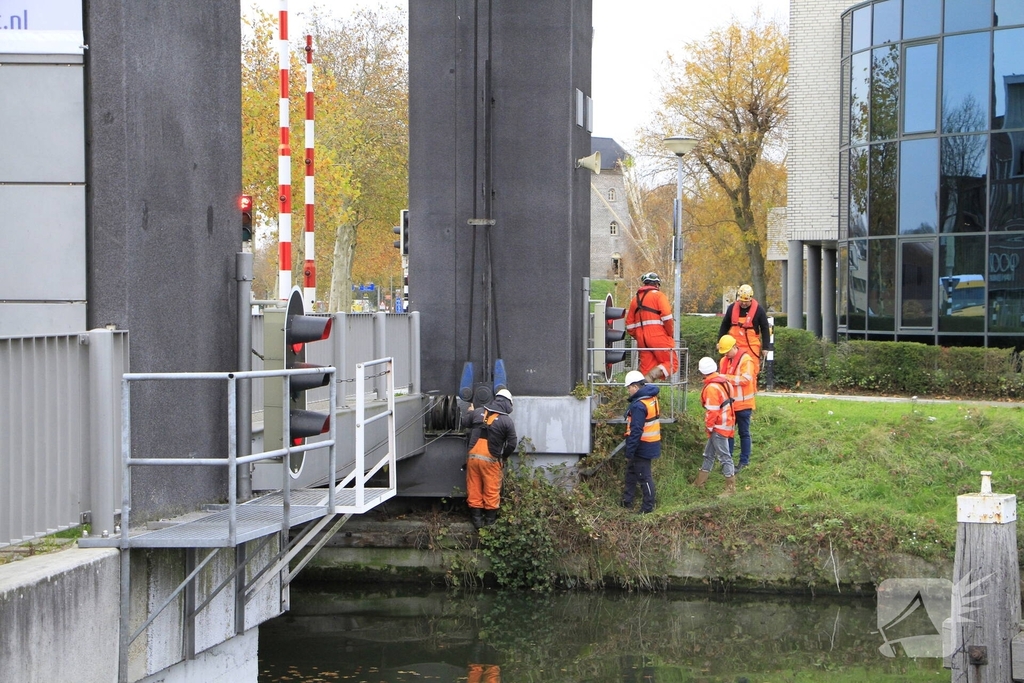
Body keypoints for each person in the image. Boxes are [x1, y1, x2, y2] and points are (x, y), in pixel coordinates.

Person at [464, 389, 517, 529]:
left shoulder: (478, 412)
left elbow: (465, 422)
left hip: (473, 458)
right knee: (491, 490)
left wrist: (470, 412)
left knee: (473, 487)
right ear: (508, 404)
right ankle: (489, 524)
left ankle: (476, 522)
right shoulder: (507, 421)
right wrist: (503, 457)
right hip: (491, 460)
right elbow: (512, 444)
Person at [694, 356, 737, 496]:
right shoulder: (725, 382)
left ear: (702, 372)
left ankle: (730, 489)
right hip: (727, 423)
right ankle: (699, 484)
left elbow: (712, 412)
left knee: (724, 456)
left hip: (718, 426)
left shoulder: (712, 387)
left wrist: (709, 427)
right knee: (709, 454)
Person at [625, 272, 678, 382]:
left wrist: (639, 336)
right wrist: (669, 333)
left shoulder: (634, 300)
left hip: (642, 342)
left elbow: (630, 326)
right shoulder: (659, 296)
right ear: (657, 284)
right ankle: (651, 377)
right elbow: (667, 317)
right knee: (672, 364)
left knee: (645, 370)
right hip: (658, 336)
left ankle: (643, 393)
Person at [621, 370, 661, 513]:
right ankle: (627, 500)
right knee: (632, 472)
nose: (628, 391)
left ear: (635, 387)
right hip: (650, 442)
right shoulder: (651, 397)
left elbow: (636, 430)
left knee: (644, 477)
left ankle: (647, 508)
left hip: (643, 445)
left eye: (628, 388)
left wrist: (629, 451)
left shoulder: (639, 405)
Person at [717, 333, 758, 472]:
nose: (726, 354)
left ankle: (744, 462)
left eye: (727, 351)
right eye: (724, 352)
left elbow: (746, 379)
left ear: (734, 347)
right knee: (728, 434)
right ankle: (728, 463)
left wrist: (726, 377)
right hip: (729, 405)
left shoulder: (746, 360)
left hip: (744, 405)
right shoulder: (724, 361)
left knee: (744, 433)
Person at [718, 284, 772, 371]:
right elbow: (724, 325)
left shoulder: (759, 310)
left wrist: (766, 347)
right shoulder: (731, 308)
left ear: (751, 298)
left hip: (751, 347)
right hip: (734, 347)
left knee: (752, 370)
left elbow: (765, 328)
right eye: (741, 300)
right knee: (732, 369)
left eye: (746, 301)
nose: (743, 303)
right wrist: (719, 341)